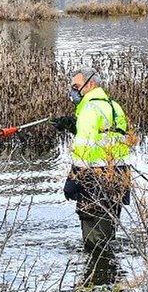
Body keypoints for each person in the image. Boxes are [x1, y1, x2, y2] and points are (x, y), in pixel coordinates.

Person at [52, 67, 133, 252]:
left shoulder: (89, 109)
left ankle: (97, 268)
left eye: (76, 86)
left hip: (94, 178)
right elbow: (107, 136)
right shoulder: (114, 106)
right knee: (108, 232)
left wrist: (73, 180)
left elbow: (84, 148)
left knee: (94, 241)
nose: (73, 91)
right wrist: (73, 126)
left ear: (91, 84)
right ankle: (110, 268)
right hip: (119, 175)